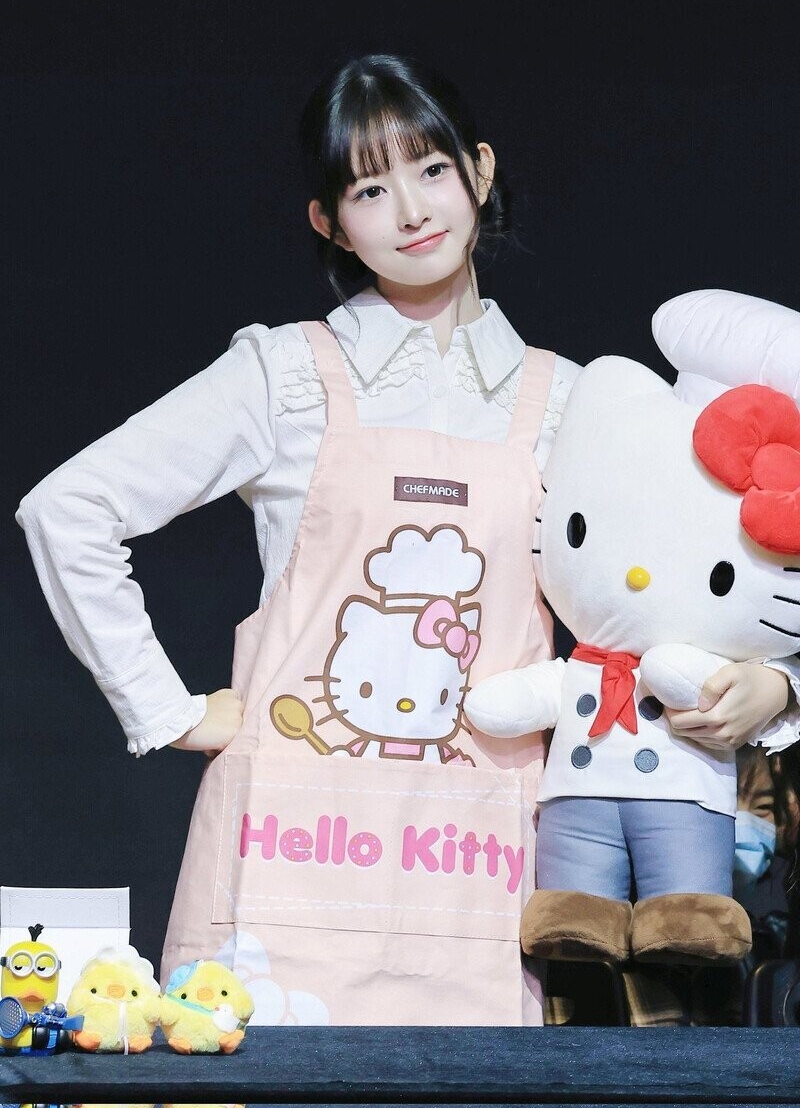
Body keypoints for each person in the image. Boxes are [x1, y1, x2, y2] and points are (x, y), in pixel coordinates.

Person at [15, 54, 796, 1026]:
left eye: (430, 170)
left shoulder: (573, 403)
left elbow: (679, 587)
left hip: (484, 882)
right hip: (288, 879)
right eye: (370, 189)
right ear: (328, 221)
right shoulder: (285, 377)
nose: (412, 211)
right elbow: (68, 509)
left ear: (480, 170)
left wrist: (776, 689)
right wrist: (162, 708)